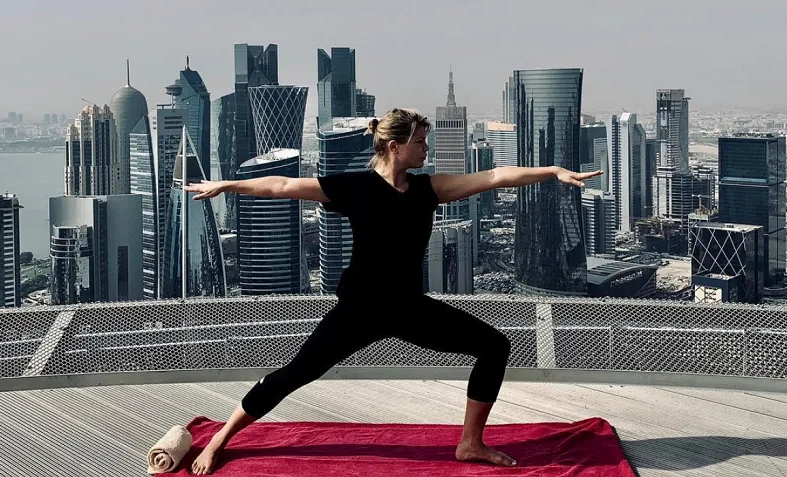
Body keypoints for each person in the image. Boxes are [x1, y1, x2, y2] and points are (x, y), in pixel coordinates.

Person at [184, 108, 602, 474]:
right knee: (294, 374)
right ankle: (222, 438)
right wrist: (227, 185)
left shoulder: (426, 190)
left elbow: (492, 177)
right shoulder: (355, 188)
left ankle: (470, 444)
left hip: (407, 308)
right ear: (394, 146)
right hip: (359, 309)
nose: (425, 150)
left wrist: (552, 173)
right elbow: (283, 186)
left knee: (494, 346)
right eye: (419, 142)